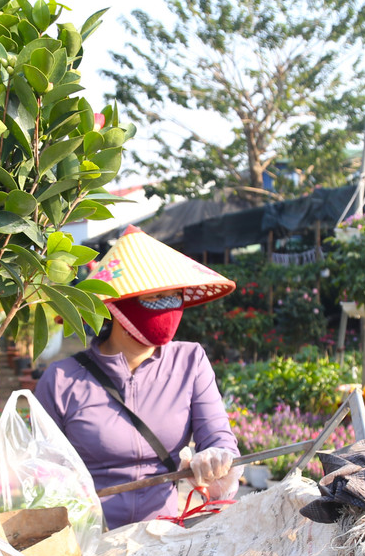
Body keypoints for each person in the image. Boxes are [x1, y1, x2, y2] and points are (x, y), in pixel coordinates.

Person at [33, 226, 241, 529]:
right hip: (88, 537)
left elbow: (218, 436)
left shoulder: (190, 361)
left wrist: (216, 456)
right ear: (117, 304)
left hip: (162, 537)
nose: (168, 308)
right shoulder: (63, 379)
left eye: (174, 297)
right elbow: (43, 471)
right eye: (156, 297)